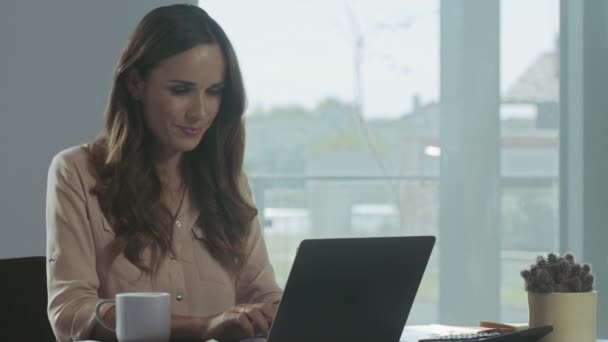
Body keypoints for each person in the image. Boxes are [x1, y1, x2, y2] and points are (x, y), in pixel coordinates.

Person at [45, 4, 282, 341]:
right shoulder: (76, 173)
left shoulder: (228, 182)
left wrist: (289, 308)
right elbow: (71, 311)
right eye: (181, 90)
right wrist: (202, 327)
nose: (199, 112)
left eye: (213, 92)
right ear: (136, 84)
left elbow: (262, 294)